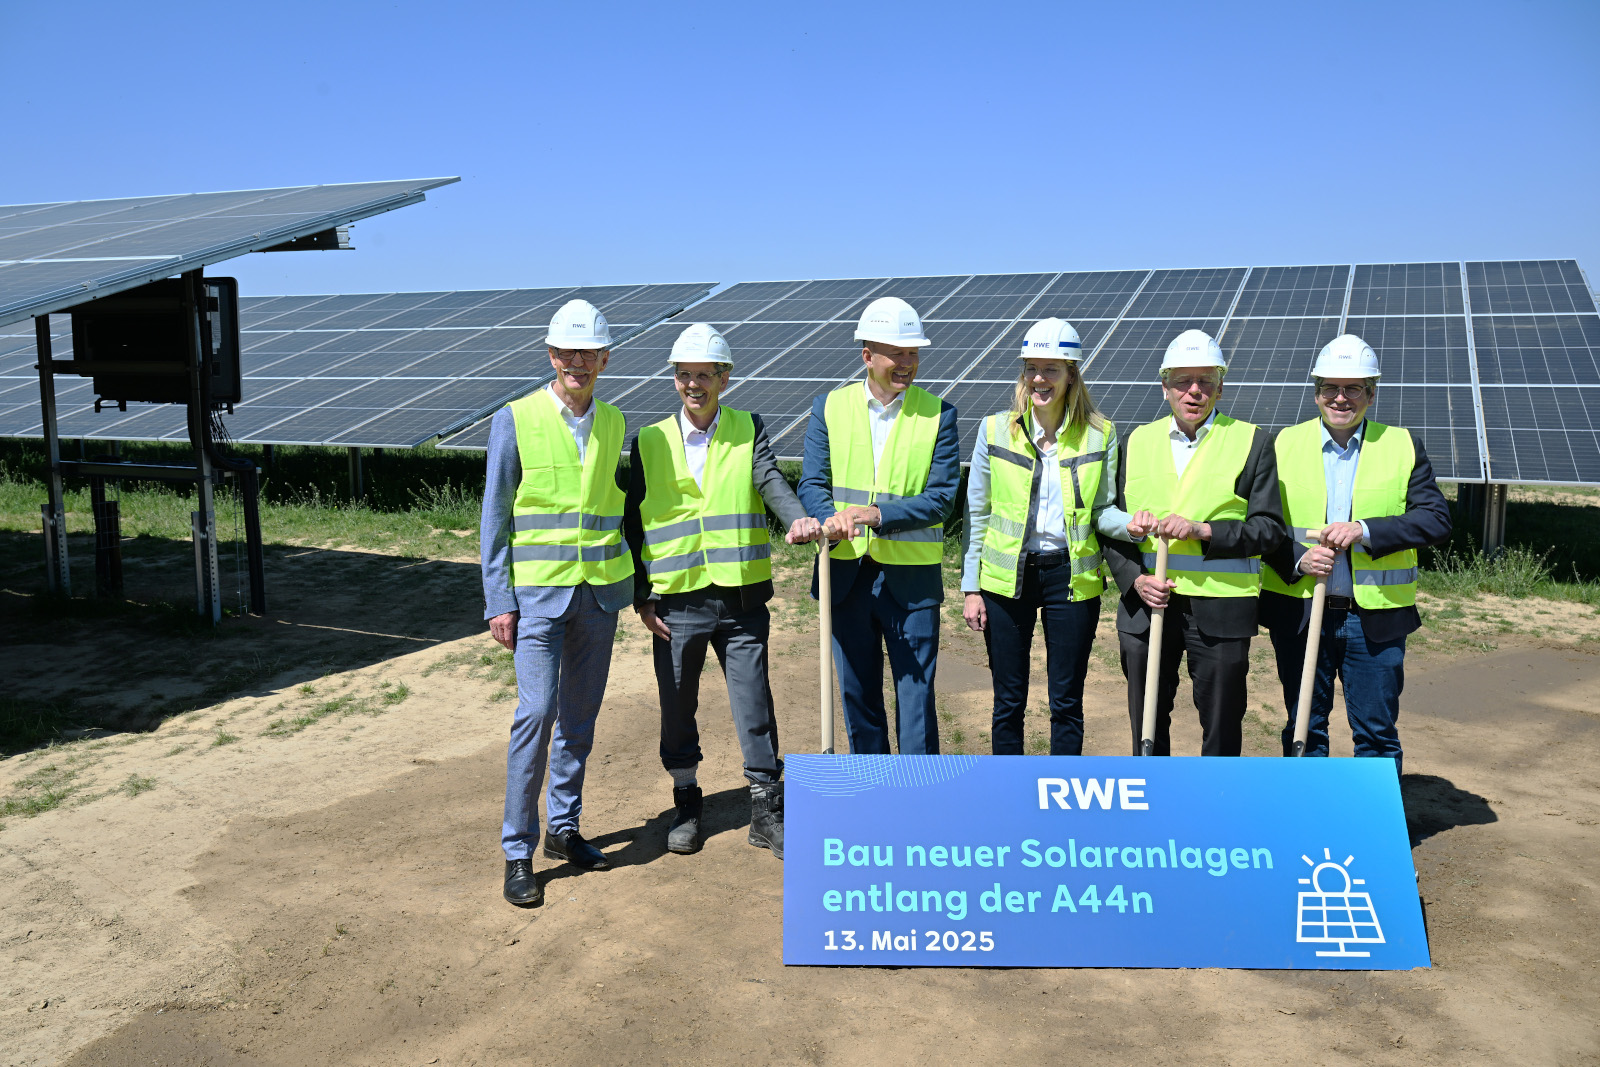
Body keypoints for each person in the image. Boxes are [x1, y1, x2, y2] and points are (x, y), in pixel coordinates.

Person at [623, 323, 822, 860]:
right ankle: (687, 800)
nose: (694, 384)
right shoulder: (649, 440)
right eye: (684, 375)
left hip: (741, 598)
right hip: (677, 599)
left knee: (754, 701)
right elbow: (632, 523)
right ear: (674, 379)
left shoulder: (748, 427)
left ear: (724, 379)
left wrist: (798, 519)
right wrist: (642, 595)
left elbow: (769, 479)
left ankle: (765, 808)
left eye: (704, 375)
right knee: (677, 704)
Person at [481, 298, 634, 907]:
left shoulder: (616, 422)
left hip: (598, 595)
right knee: (536, 715)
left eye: (589, 353)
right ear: (551, 356)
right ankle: (518, 851)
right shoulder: (514, 419)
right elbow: (494, 517)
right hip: (538, 596)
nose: (578, 362)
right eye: (567, 352)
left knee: (580, 719)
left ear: (603, 358)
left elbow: (618, 508)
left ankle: (562, 830)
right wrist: (500, 600)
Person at [1260, 334, 1451, 775]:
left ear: (1371, 393)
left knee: (1377, 733)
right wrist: (1297, 559)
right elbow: (1261, 526)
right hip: (1302, 611)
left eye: (1354, 389)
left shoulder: (1403, 446)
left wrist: (1364, 530)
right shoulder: (1280, 445)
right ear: (1316, 391)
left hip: (1374, 620)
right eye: (1330, 388)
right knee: (1304, 727)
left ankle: (1373, 837)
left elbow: (1435, 520)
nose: (1340, 398)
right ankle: (1310, 826)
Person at [1102, 328, 1286, 756]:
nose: (1194, 391)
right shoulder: (1136, 441)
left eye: (1206, 380)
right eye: (1183, 381)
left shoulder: (1253, 441)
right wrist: (1133, 580)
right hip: (1147, 606)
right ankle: (1153, 803)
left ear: (1220, 386)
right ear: (1165, 386)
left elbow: (1269, 529)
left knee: (1221, 724)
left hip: (1222, 609)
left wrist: (1206, 531)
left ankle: (1214, 809)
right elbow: (1112, 525)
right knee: (1146, 720)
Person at [797, 296, 961, 755]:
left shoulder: (939, 413)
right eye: (896, 353)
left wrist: (877, 516)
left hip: (911, 579)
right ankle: (873, 794)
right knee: (857, 695)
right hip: (845, 573)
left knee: (916, 698)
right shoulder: (829, 406)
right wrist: (832, 518)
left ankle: (917, 800)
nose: (906, 363)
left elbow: (942, 498)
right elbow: (813, 481)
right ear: (867, 356)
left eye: (912, 353)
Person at [960, 318, 1119, 755]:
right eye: (1032, 367)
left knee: (1066, 702)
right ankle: (1009, 795)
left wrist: (1137, 524)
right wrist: (971, 586)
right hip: (1005, 577)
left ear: (1072, 373)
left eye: (1051, 368)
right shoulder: (994, 430)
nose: (1039, 378)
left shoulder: (1102, 434)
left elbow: (1104, 511)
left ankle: (1059, 795)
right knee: (1007, 701)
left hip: (1070, 579)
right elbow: (977, 512)